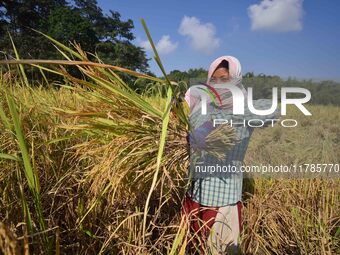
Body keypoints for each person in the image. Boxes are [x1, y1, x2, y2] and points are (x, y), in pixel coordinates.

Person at [180, 56, 280, 254]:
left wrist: (222, 117)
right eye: (214, 79)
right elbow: (183, 128)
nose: (218, 84)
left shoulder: (245, 108)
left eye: (224, 78)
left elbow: (274, 111)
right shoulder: (202, 107)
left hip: (223, 202)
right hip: (194, 195)